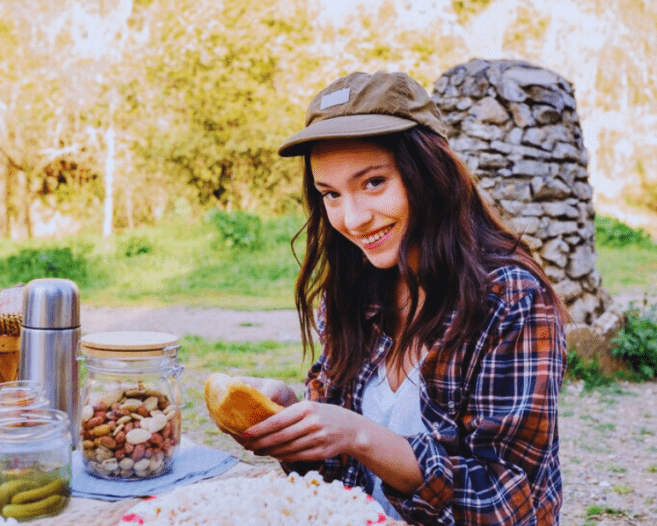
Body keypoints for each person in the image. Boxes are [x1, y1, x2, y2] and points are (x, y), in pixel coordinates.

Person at [236, 71, 568, 525]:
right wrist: (294, 418)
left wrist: (361, 435)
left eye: (373, 182)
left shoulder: (511, 299)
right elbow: (334, 481)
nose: (352, 219)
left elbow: (510, 502)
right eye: (330, 194)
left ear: (430, 173)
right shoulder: (347, 296)